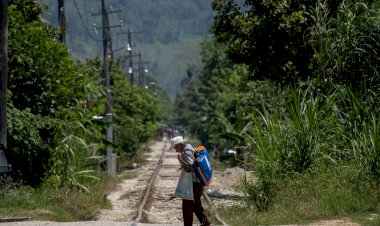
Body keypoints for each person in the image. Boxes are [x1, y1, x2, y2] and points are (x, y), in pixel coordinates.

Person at [170, 136, 212, 226]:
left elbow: (192, 167)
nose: (175, 150)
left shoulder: (187, 152)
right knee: (195, 205)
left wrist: (181, 160)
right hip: (196, 183)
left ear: (180, 145)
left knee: (187, 206)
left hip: (194, 183)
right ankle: (206, 222)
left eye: (175, 147)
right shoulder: (191, 149)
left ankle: (195, 224)